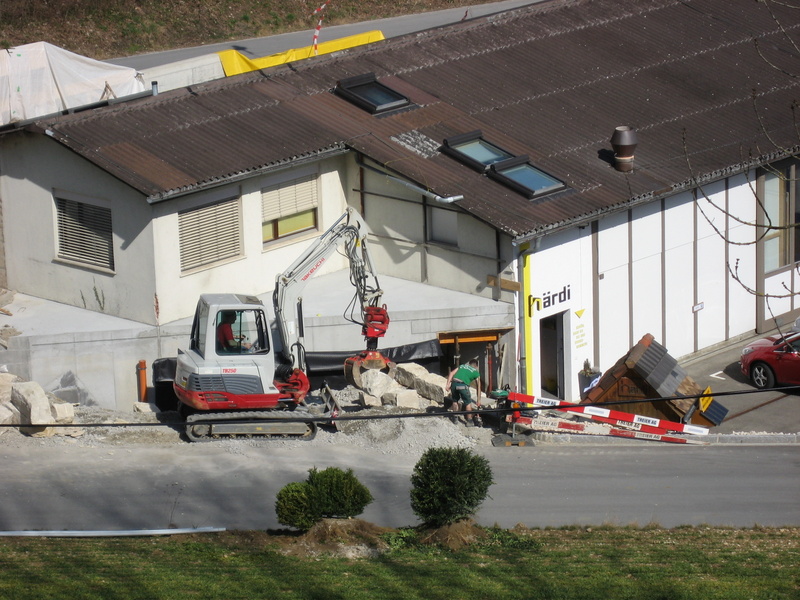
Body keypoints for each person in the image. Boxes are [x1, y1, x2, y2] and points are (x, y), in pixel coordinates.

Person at [445, 359, 483, 427]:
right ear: (476, 366)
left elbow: (451, 373)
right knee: (468, 403)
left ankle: (455, 418)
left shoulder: (462, 366)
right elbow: (479, 387)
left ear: (469, 364)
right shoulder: (476, 372)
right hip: (463, 386)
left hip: (454, 383)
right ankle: (469, 421)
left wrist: (448, 384)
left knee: (455, 401)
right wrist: (478, 400)